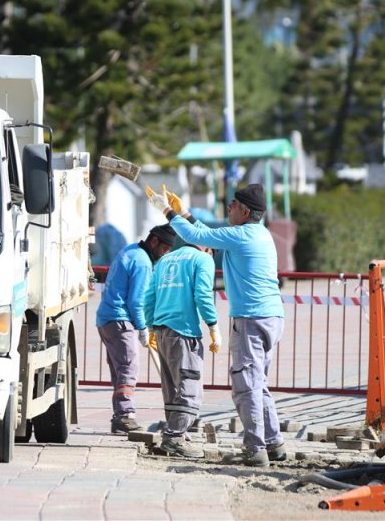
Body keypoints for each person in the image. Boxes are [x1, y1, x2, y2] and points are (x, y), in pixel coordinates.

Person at [147, 184, 285, 467]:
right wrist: (184, 213)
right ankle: (274, 444)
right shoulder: (260, 233)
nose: (228, 208)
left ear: (245, 211)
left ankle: (255, 449)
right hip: (272, 316)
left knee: (246, 385)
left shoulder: (240, 234)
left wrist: (167, 211)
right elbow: (206, 235)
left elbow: (198, 237)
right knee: (259, 384)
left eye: (232, 204)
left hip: (250, 318)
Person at [96, 223, 176, 434]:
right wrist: (143, 329)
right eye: (164, 249)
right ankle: (124, 416)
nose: (164, 253)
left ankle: (119, 417)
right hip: (121, 320)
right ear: (154, 241)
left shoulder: (130, 250)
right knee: (129, 368)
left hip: (107, 319)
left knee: (120, 370)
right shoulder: (142, 262)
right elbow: (136, 301)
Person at [144, 242, 221, 458]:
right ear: (206, 246)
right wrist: (213, 326)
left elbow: (149, 298)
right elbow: (203, 295)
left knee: (171, 387)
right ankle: (175, 437)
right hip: (184, 331)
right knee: (189, 387)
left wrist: (151, 326)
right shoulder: (202, 259)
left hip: (162, 331)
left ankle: (177, 432)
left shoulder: (164, 260)